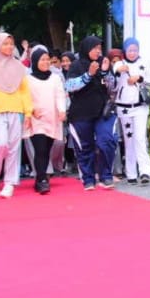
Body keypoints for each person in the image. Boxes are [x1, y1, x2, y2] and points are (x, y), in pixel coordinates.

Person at [0, 32, 32, 199]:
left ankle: (10, 182)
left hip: (16, 111)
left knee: (14, 148)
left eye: (11, 43)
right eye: (5, 43)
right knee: (1, 144)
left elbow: (25, 91)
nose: (9, 47)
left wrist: (28, 113)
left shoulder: (19, 67)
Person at [65, 35, 117, 191]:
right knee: (84, 146)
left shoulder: (103, 63)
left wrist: (106, 72)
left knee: (106, 140)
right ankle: (88, 178)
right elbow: (69, 86)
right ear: (87, 49)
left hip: (103, 112)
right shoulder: (76, 65)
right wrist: (88, 74)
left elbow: (112, 87)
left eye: (100, 49)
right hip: (81, 113)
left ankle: (106, 175)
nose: (98, 52)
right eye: (95, 48)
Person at [112, 37, 150, 185]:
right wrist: (119, 71)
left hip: (140, 107)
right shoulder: (119, 63)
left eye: (135, 50)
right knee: (128, 139)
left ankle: (145, 171)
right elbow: (113, 81)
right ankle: (131, 173)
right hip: (123, 108)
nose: (132, 53)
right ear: (125, 51)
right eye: (130, 50)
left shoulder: (144, 63)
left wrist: (139, 78)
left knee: (140, 138)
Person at [27, 46, 67, 194]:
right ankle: (43, 179)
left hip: (52, 118)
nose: (45, 62)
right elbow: (25, 98)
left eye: (46, 59)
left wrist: (62, 110)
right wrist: (31, 109)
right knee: (40, 148)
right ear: (35, 61)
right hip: (36, 119)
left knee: (47, 149)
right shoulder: (28, 79)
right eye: (42, 59)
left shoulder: (55, 78)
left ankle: (39, 177)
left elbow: (59, 95)